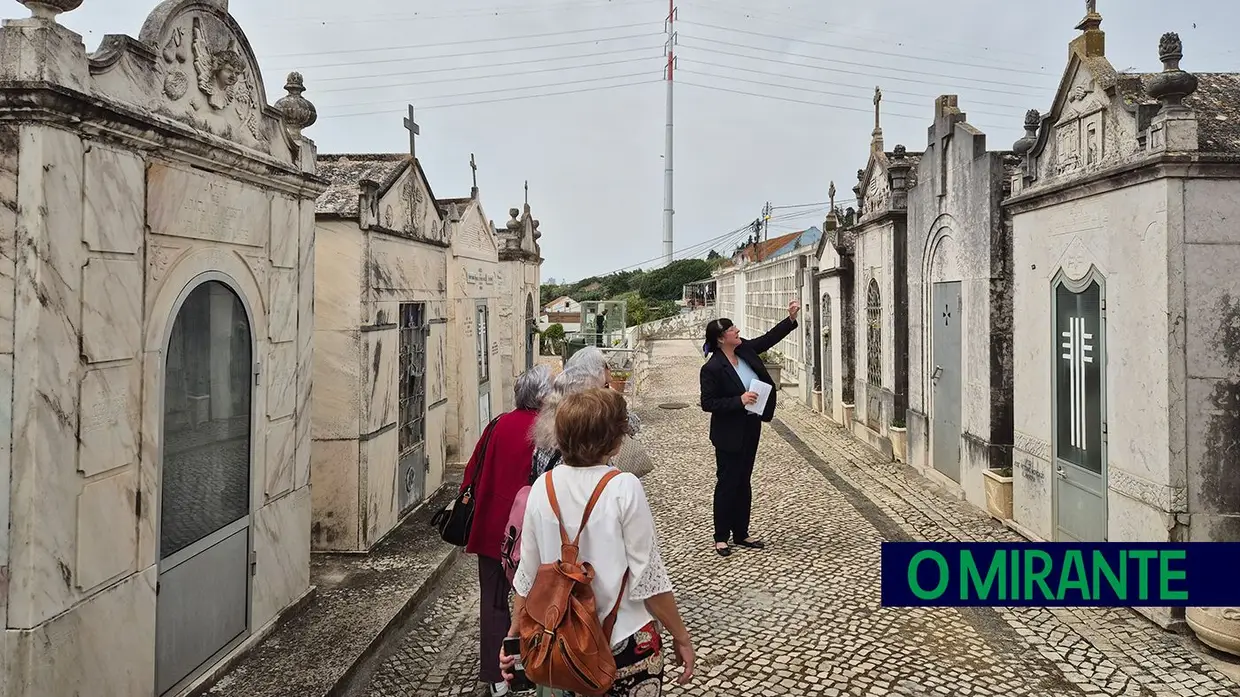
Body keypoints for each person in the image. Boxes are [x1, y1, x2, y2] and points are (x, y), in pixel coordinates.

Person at [502, 389, 695, 695]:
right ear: (615, 442)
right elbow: (649, 578)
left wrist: (514, 634)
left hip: (563, 643)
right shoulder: (624, 488)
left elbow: (527, 576)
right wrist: (681, 636)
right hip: (625, 640)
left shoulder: (542, 488)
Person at [459, 365, 553, 697]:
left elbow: (472, 468)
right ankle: (529, 666)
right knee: (535, 601)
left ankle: (495, 676)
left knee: (494, 602)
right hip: (528, 533)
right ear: (542, 396)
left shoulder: (497, 423)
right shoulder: (547, 430)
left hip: (490, 527)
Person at [699, 299, 801, 557]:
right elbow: (708, 403)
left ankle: (741, 533)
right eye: (733, 329)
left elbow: (768, 339)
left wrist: (790, 319)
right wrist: (739, 400)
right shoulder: (711, 368)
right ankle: (721, 537)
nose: (738, 331)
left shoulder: (745, 351)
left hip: (750, 425)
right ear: (722, 339)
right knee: (727, 482)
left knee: (744, 481)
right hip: (727, 432)